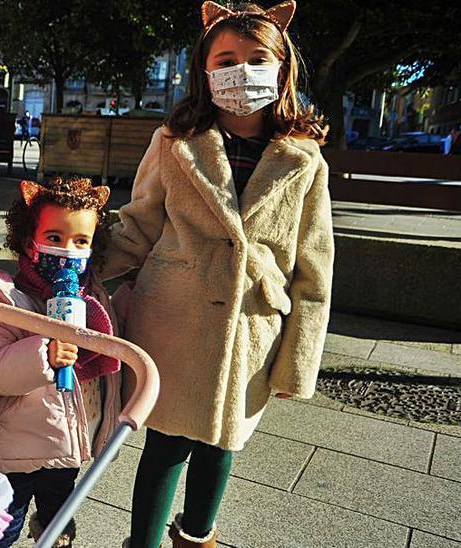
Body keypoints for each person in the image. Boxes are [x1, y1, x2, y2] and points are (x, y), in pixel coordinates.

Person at [97, 2, 334, 547]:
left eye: (257, 59)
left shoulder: (304, 157)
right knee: (164, 441)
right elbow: (140, 222)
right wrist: (71, 266)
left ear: (282, 68)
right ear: (205, 69)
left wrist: (299, 361)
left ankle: (197, 536)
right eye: (226, 58)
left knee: (224, 442)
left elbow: (313, 264)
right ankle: (144, 543)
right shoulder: (175, 141)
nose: (242, 71)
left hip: (252, 326)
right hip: (173, 316)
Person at [0, 178, 123, 547]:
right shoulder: (4, 299)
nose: (68, 250)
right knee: (0, 527)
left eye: (80, 241)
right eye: (54, 238)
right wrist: (43, 354)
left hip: (65, 449)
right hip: (10, 453)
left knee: (58, 520)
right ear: (28, 243)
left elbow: (109, 379)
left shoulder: (94, 300)